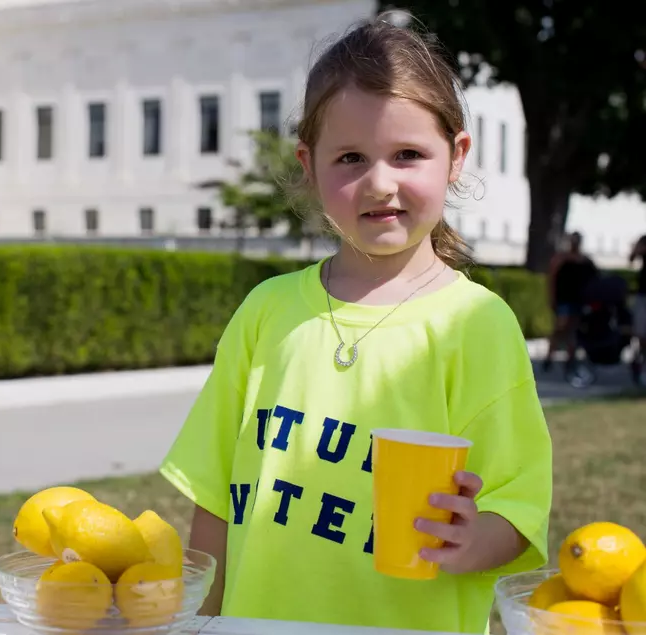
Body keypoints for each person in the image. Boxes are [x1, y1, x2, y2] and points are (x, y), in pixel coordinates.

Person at [158, 15, 552, 635]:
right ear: (308, 165)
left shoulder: (477, 323)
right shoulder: (267, 311)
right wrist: (202, 620)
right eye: (350, 157)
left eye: (408, 154)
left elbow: (519, 504)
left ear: (457, 156)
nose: (379, 182)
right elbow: (214, 497)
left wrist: (477, 538)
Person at [543, 232, 598, 375]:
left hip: (579, 300)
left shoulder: (585, 261)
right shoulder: (561, 259)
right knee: (560, 328)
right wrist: (552, 298)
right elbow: (552, 279)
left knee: (573, 330)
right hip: (564, 299)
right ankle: (549, 357)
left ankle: (570, 359)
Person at [629, 235, 646, 381]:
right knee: (640, 334)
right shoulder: (643, 240)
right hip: (643, 294)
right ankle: (639, 363)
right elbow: (632, 258)